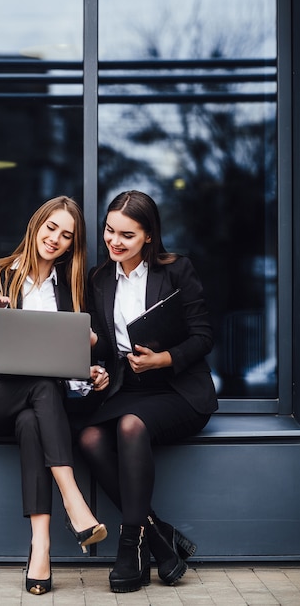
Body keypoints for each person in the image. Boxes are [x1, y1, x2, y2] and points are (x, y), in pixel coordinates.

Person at [0, 196, 109, 596]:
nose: (55, 239)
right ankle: (74, 503)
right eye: (51, 227)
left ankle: (41, 547)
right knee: (41, 389)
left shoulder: (70, 290)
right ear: (36, 224)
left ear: (72, 245)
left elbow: (65, 374)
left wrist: (89, 369)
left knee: (35, 413)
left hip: (38, 407)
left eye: (66, 235)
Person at [77, 190, 218, 593]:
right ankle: (158, 538)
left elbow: (203, 337)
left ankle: (130, 547)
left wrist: (165, 359)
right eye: (109, 231)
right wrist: (97, 368)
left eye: (127, 235)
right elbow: (105, 348)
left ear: (149, 236)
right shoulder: (99, 279)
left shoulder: (177, 271)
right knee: (88, 437)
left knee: (130, 427)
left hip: (179, 390)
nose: (114, 242)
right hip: (130, 388)